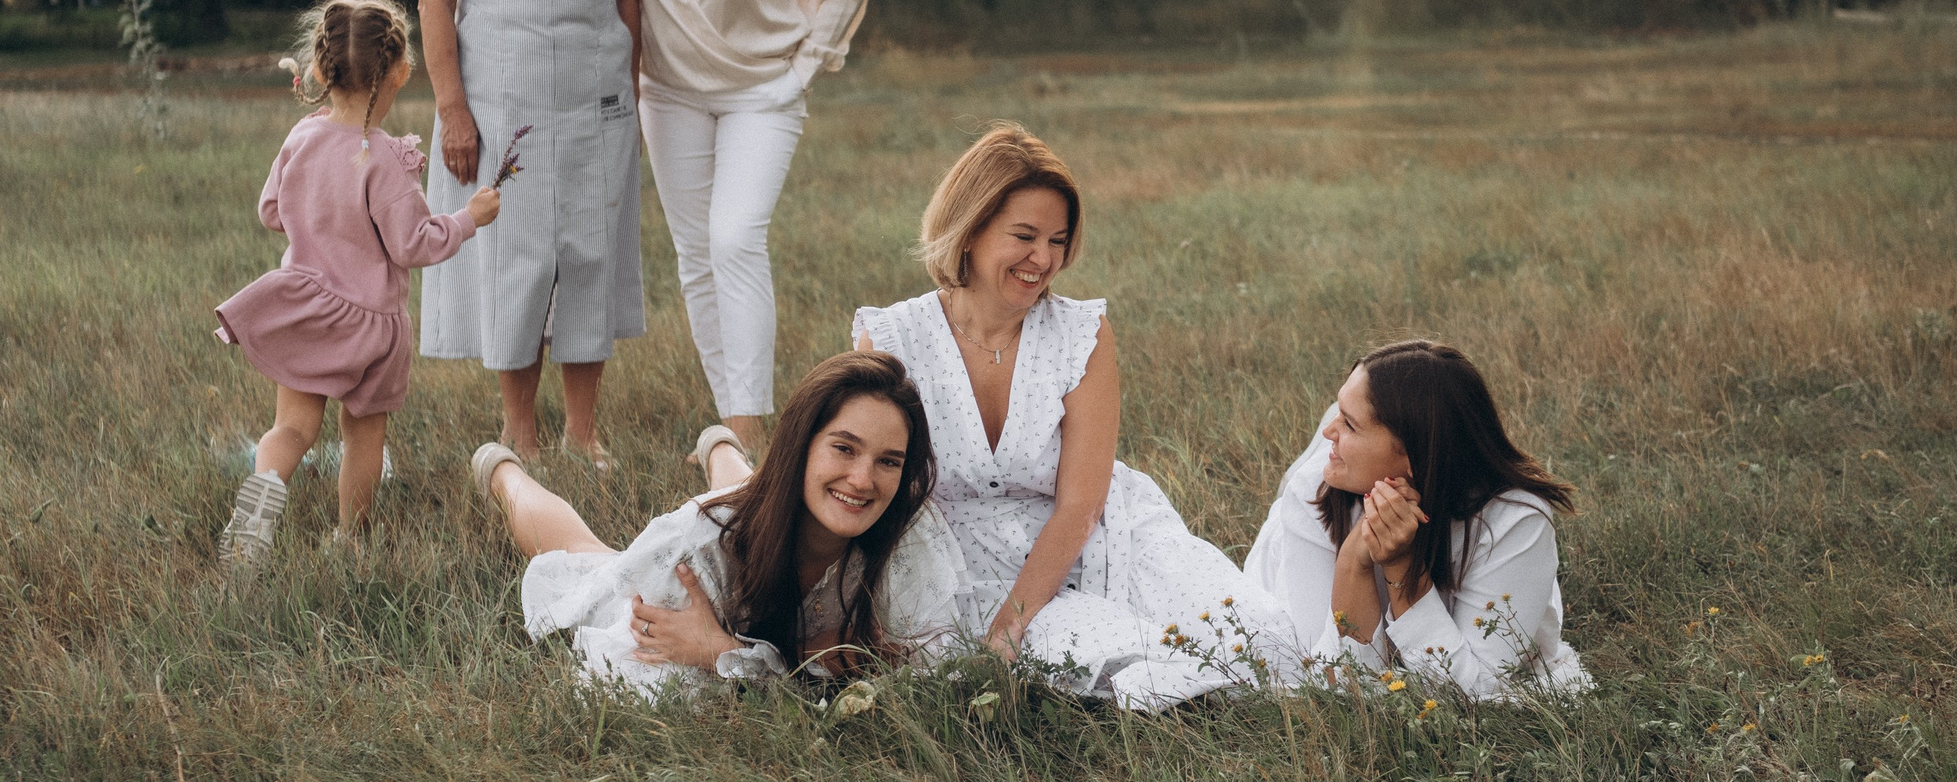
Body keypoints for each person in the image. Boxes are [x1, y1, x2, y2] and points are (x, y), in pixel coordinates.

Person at [852, 123, 1294, 709]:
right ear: (971, 229)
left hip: (1092, 536)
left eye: (1058, 240)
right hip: (952, 560)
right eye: (1025, 236)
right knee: (1098, 655)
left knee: (1255, 643)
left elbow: (1082, 504)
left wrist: (1011, 622)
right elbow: (863, 480)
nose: (1044, 259)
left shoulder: (1081, 334)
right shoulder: (890, 338)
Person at [624, 0, 869, 461]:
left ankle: (752, 432)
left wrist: (802, 69)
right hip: (666, 94)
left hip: (761, 91)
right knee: (695, 255)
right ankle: (728, 425)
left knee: (735, 237)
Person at [415, 0, 646, 469]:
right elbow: (433, 1)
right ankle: (521, 432)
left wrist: (631, 83)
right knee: (515, 256)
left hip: (595, 99)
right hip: (498, 104)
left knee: (587, 254)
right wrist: (453, 108)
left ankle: (583, 435)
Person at [478, 352, 966, 695]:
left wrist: (731, 651)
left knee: (768, 496)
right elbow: (636, 680)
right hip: (699, 547)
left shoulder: (907, 525)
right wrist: (727, 654)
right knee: (587, 559)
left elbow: (939, 657)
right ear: (801, 445)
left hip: (765, 510)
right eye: (844, 447)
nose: (863, 480)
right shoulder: (698, 547)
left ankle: (720, 444)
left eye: (888, 461)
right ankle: (502, 473)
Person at [215, 0, 500, 564]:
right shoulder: (385, 160)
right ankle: (350, 543)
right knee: (362, 435)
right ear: (399, 73)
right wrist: (468, 220)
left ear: (322, 68)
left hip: (304, 307)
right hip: (371, 328)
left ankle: (263, 492)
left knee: (293, 429)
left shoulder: (303, 137)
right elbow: (413, 243)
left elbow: (272, 212)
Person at [1244, 340, 1590, 699]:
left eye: (1348, 423)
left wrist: (1401, 567)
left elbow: (1471, 692)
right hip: (1291, 546)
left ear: (1414, 456)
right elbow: (1336, 684)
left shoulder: (1516, 520)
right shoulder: (1313, 493)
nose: (1329, 432)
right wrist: (1352, 562)